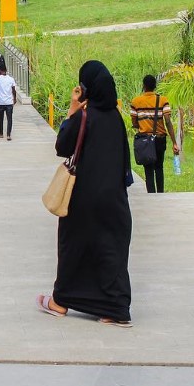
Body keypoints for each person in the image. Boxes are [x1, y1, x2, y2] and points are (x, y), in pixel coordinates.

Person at [36, 60, 132, 327]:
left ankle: (60, 301)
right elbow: (125, 161)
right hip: (114, 199)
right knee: (111, 250)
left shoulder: (84, 116)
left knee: (73, 246)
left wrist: (72, 108)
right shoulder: (116, 118)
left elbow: (62, 145)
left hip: (83, 199)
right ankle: (114, 309)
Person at [129, 75, 180, 194]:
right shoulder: (163, 100)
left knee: (148, 170)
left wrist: (143, 125)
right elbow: (167, 121)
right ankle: (160, 194)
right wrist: (174, 142)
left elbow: (134, 122)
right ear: (155, 86)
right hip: (160, 139)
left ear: (144, 86)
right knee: (159, 168)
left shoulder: (136, 102)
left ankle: (151, 195)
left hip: (145, 141)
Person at [0, 65, 18, 140]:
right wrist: (14, 98)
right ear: (6, 70)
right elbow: (13, 90)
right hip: (9, 101)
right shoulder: (11, 79)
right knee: (9, 118)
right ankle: (8, 135)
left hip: (0, 102)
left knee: (0, 118)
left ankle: (1, 133)